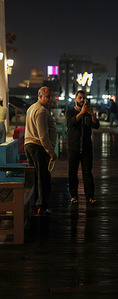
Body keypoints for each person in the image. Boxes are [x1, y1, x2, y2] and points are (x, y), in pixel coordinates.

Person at [24, 87, 57, 215]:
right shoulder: (41, 111)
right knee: (43, 177)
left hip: (29, 145)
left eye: (51, 96)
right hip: (38, 146)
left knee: (35, 177)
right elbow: (43, 136)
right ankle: (42, 206)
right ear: (40, 97)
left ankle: (34, 204)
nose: (50, 99)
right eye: (47, 96)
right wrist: (50, 152)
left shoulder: (31, 108)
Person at [66, 90, 100, 205]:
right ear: (75, 99)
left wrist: (91, 113)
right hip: (73, 147)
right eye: (80, 98)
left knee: (87, 173)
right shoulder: (70, 111)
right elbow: (70, 123)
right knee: (72, 173)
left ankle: (90, 196)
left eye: (83, 98)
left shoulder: (88, 113)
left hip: (86, 148)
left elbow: (96, 125)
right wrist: (81, 113)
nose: (82, 100)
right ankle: (74, 196)